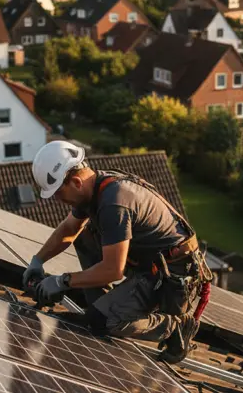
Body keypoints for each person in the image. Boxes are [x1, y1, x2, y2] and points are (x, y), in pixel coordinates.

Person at [23, 141, 212, 363]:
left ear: (75, 182)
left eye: (58, 194)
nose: (58, 200)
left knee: (103, 322)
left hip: (170, 275)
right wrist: (38, 260)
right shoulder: (93, 188)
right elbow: (69, 229)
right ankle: (102, 305)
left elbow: (113, 269)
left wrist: (63, 282)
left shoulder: (114, 203)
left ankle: (175, 327)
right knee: (84, 236)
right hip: (147, 262)